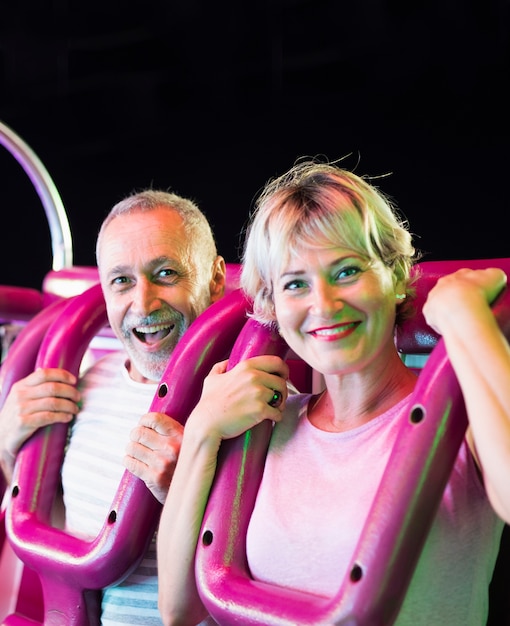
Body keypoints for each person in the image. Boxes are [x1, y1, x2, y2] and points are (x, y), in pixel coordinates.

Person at [156, 159, 510, 626]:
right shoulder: (265, 424)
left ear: (397, 276)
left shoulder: (457, 421)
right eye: (295, 284)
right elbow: (178, 609)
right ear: (272, 304)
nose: (324, 304)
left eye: (346, 272)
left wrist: (466, 316)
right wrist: (202, 429)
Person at [0, 189, 226, 625]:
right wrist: (11, 449)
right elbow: (61, 525)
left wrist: (186, 492)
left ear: (215, 279)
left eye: (165, 273)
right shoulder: (83, 385)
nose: (143, 304)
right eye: (122, 281)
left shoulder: (249, 399)